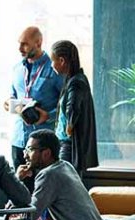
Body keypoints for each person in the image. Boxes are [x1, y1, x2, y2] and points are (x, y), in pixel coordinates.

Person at [15, 129, 106, 220]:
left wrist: (17, 181)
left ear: (46, 153)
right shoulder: (65, 165)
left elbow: (29, 215)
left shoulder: (49, 175)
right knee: (41, 216)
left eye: (30, 150)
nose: (25, 155)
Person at [4, 26, 64, 173]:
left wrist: (48, 116)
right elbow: (12, 96)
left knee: (44, 188)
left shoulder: (54, 68)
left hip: (43, 146)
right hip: (19, 140)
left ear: (38, 42)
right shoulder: (17, 68)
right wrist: (10, 104)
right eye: (19, 43)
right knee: (20, 189)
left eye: (24, 44)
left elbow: (66, 104)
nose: (20, 48)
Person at [50, 39, 98, 174]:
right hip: (66, 144)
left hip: (69, 145)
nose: (52, 65)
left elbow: (73, 107)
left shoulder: (76, 82)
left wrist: (69, 126)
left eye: (53, 61)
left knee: (67, 183)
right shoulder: (73, 80)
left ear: (62, 61)